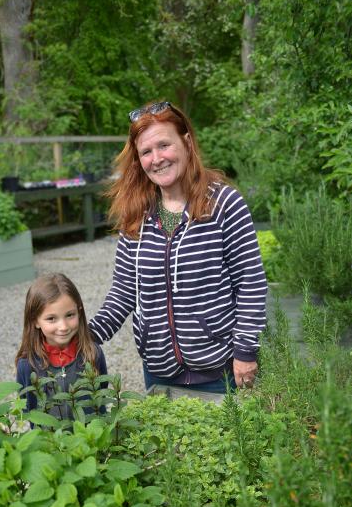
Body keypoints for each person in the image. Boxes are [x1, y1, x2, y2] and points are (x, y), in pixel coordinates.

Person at [89, 100, 267, 393]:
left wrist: (246, 351)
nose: (156, 158)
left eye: (164, 145)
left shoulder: (224, 203)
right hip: (159, 372)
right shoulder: (136, 214)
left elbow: (250, 283)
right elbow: (124, 290)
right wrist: (88, 336)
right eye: (146, 152)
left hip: (220, 373)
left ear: (186, 142)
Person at [16, 273, 107, 418]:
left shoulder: (93, 353)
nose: (63, 327)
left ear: (79, 311)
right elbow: (28, 408)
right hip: (51, 440)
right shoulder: (27, 365)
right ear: (35, 321)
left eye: (70, 315)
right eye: (51, 318)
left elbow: (102, 394)